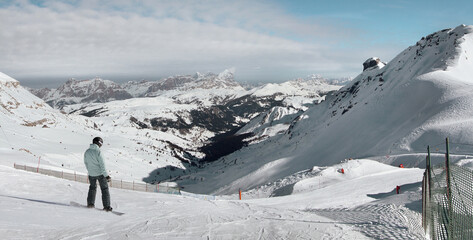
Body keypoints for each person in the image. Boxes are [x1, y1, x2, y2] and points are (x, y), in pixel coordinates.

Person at [84, 137, 112, 212]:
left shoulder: (87, 151)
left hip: (91, 174)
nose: (101, 145)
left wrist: (90, 171)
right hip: (100, 174)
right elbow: (102, 165)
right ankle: (106, 206)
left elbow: (86, 163)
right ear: (99, 143)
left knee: (92, 188)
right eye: (101, 143)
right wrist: (106, 176)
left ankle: (90, 204)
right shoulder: (98, 152)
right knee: (104, 189)